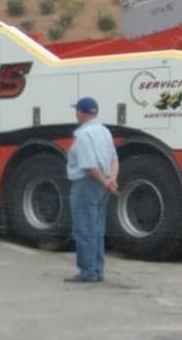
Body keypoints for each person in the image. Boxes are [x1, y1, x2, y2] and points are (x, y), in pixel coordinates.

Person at [65, 97, 119, 283]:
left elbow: (89, 166)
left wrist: (104, 182)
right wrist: (111, 180)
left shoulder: (83, 135)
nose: (75, 113)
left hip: (87, 183)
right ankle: (98, 270)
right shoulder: (104, 131)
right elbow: (114, 159)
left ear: (81, 112)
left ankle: (87, 271)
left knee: (84, 228)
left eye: (77, 110)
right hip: (102, 184)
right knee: (97, 228)